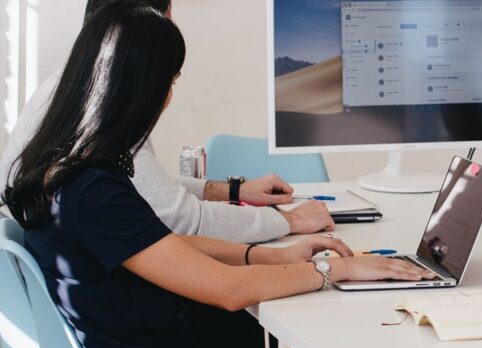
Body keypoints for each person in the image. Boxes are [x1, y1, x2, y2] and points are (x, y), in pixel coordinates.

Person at [0, 3, 436, 348]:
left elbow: (161, 245)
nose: (167, 98)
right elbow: (228, 292)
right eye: (171, 81)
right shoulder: (95, 187)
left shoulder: (61, 167)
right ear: (142, 88)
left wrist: (267, 255)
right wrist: (337, 272)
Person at [0, 0, 334, 243]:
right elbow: (182, 220)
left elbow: (140, 187)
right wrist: (286, 221)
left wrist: (233, 190)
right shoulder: (102, 115)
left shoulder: (67, 92)